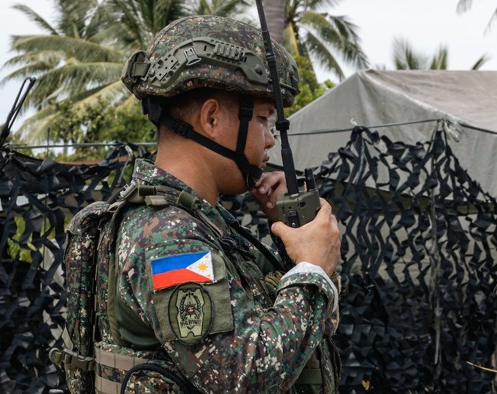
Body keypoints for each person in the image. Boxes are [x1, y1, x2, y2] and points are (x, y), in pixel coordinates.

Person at [95, 15, 342, 392]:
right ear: (212, 118)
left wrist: (296, 243)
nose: (271, 141)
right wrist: (311, 272)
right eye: (262, 119)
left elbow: (304, 329)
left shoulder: (206, 223)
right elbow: (239, 374)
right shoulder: (167, 235)